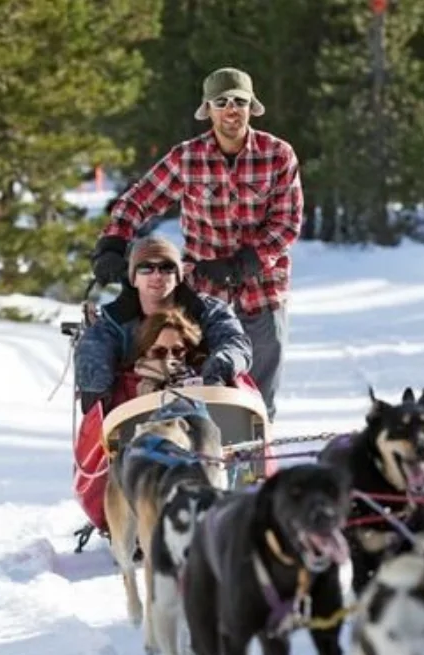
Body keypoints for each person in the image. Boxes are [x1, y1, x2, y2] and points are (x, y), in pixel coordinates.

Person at [89, 66, 302, 421]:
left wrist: (242, 264)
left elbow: (286, 224)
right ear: (209, 109)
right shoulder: (188, 158)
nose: (231, 109)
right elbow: (137, 200)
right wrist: (113, 242)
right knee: (202, 386)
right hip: (204, 296)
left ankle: (254, 466)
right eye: (222, 102)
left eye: (240, 101)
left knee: (257, 403)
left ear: (252, 107)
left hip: (262, 291)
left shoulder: (278, 155)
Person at [73, 235, 252, 415]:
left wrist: (218, 369)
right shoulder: (115, 321)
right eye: (146, 268)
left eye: (167, 268)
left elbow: (235, 343)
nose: (157, 276)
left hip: (204, 402)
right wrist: (95, 387)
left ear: (179, 275)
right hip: (134, 411)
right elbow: (93, 348)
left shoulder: (208, 311)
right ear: (133, 277)